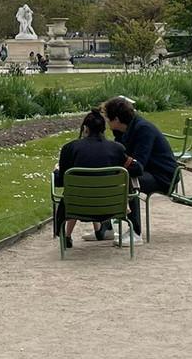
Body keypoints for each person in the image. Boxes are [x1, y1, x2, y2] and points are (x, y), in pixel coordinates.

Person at [53, 110, 143, 248]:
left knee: (76, 190)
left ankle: (68, 235)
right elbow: (138, 169)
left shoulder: (69, 148)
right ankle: (128, 229)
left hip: (77, 207)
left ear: (85, 129)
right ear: (103, 129)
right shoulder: (116, 149)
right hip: (111, 207)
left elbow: (60, 182)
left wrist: (57, 171)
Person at [97, 96, 178, 243]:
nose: (106, 121)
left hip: (163, 177)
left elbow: (138, 165)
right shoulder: (124, 130)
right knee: (111, 177)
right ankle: (106, 228)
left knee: (127, 179)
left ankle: (135, 232)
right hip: (149, 171)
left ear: (116, 119)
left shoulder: (143, 129)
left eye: (108, 118)